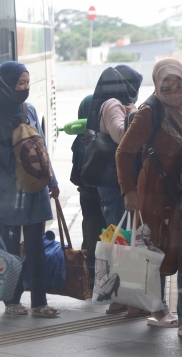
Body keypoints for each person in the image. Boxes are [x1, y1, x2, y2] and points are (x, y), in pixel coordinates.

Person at [116, 58, 182, 336]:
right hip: (155, 194)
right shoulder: (149, 113)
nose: (173, 90)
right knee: (157, 253)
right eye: (165, 85)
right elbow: (123, 152)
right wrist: (128, 191)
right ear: (156, 85)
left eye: (178, 83)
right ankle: (158, 308)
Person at [0, 61, 60, 317]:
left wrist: (52, 181)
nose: (25, 88)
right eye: (20, 84)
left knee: (36, 248)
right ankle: (12, 300)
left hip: (34, 189)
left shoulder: (28, 110)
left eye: (27, 83)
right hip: (4, 195)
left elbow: (40, 147)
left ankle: (40, 302)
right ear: (4, 85)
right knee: (9, 249)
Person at [86, 65, 146, 316]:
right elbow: (122, 135)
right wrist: (136, 114)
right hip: (115, 184)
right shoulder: (113, 104)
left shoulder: (112, 102)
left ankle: (119, 298)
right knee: (125, 241)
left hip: (112, 184)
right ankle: (129, 300)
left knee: (119, 240)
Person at [69, 95, 108, 296]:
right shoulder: (98, 139)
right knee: (103, 239)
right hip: (99, 198)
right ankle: (98, 281)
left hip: (88, 198)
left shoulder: (80, 140)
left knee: (91, 238)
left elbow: (76, 176)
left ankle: (91, 280)